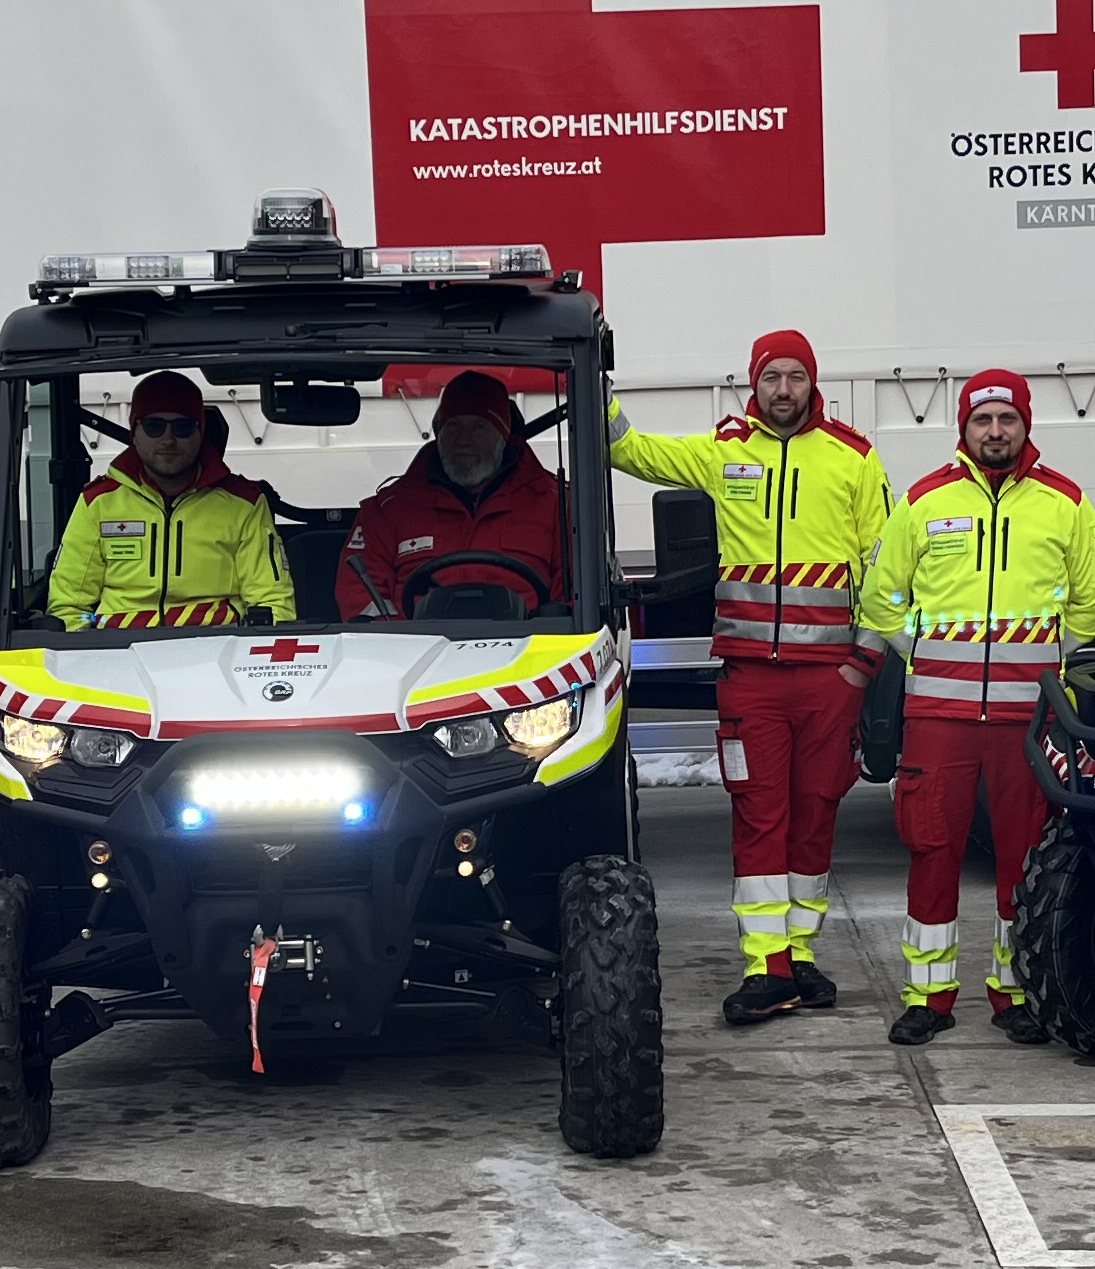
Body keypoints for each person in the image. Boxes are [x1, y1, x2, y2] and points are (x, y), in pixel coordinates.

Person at [612, 329, 889, 1025]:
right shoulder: (724, 449)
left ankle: (799, 956)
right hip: (751, 681)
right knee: (759, 812)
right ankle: (766, 964)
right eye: (772, 377)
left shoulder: (854, 458)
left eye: (796, 376)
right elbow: (631, 451)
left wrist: (861, 666)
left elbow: (886, 572)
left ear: (812, 383)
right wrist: (597, 388)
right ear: (752, 383)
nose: (784, 390)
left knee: (816, 811)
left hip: (830, 680)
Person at [857, 369, 1095, 1046]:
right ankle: (928, 995)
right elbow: (881, 596)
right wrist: (922, 651)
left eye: (1007, 418)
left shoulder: (1065, 503)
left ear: (1025, 424)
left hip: (1027, 721)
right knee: (932, 849)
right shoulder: (922, 501)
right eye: (982, 420)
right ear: (963, 428)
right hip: (938, 720)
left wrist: (1047, 660)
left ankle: (1016, 990)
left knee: (1024, 858)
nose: (995, 431)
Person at [49, 371, 291, 628]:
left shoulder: (245, 503)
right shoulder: (98, 502)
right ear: (134, 432)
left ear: (201, 432)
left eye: (182, 427)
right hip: (116, 648)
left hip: (217, 645)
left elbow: (272, 604)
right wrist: (87, 647)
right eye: (154, 426)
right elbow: (69, 609)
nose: (168, 440)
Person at [339, 369, 567, 615]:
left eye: (479, 427)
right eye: (454, 425)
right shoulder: (387, 511)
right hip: (415, 640)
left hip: (531, 640)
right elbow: (360, 598)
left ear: (503, 435)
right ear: (439, 432)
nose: (464, 439)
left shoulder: (557, 505)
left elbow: (576, 598)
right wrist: (406, 636)